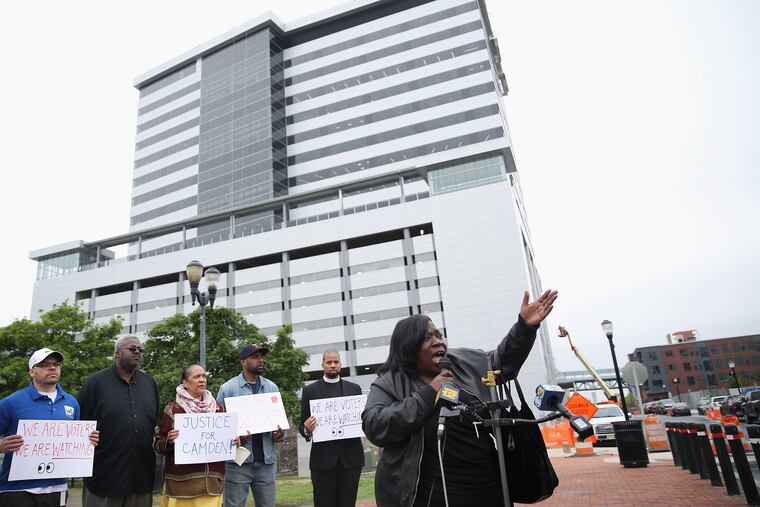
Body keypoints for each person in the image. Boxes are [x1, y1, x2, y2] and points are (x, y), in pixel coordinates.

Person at [362, 290, 558, 507]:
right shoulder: (389, 382)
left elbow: (501, 363)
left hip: (487, 488)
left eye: (438, 335)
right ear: (408, 347)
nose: (438, 342)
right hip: (428, 495)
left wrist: (524, 327)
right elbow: (374, 424)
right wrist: (429, 393)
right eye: (427, 338)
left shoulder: (462, 362)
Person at [0, 348, 100, 507]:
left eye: (56, 364)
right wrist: (1, 446)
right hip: (17, 489)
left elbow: (72, 443)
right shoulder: (10, 403)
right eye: (45, 364)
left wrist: (87, 440)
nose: (52, 368)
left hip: (57, 487)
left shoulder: (71, 402)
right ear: (32, 371)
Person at [78, 335, 160, 507]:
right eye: (132, 349)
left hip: (141, 477)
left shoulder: (149, 383)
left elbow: (152, 423)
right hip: (104, 476)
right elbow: (79, 425)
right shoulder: (95, 383)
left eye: (140, 349)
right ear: (117, 353)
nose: (137, 351)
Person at [154, 364, 240, 507]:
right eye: (197, 376)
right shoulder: (173, 410)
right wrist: (169, 441)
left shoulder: (219, 409)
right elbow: (158, 446)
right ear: (185, 383)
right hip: (181, 487)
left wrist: (234, 441)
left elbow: (227, 440)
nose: (202, 380)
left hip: (212, 486)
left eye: (204, 376)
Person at [217, 344, 284, 507]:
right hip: (238, 464)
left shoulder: (272, 387)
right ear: (243, 362)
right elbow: (218, 428)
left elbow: (279, 424)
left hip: (266, 463)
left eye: (261, 357)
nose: (260, 360)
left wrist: (279, 434)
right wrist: (238, 436)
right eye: (255, 357)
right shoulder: (228, 389)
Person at [299, 349, 364, 507]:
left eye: (336, 362)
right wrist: (307, 429)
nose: (333, 365)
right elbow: (302, 426)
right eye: (329, 362)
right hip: (322, 462)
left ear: (340, 365)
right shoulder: (310, 391)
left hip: (351, 460)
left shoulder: (354, 389)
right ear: (323, 365)